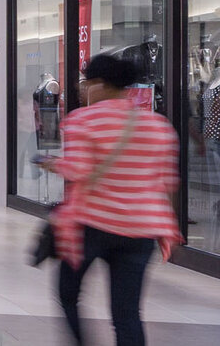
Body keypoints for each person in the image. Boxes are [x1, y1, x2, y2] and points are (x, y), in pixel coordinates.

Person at [41, 54, 180, 346]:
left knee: (68, 294)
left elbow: (78, 169)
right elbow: (167, 183)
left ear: (100, 84)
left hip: (91, 226)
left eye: (87, 83)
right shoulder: (159, 126)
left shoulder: (82, 120)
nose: (83, 89)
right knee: (127, 313)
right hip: (141, 229)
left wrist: (53, 164)